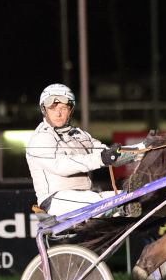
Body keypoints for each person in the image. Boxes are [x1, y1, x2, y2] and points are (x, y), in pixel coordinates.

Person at [26, 83, 140, 216]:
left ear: (71, 109)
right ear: (44, 109)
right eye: (53, 108)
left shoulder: (79, 134)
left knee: (135, 195)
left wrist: (143, 150)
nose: (58, 113)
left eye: (63, 108)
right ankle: (123, 208)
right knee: (102, 201)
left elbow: (108, 153)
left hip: (85, 196)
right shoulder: (41, 137)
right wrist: (101, 159)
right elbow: (61, 166)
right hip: (55, 200)